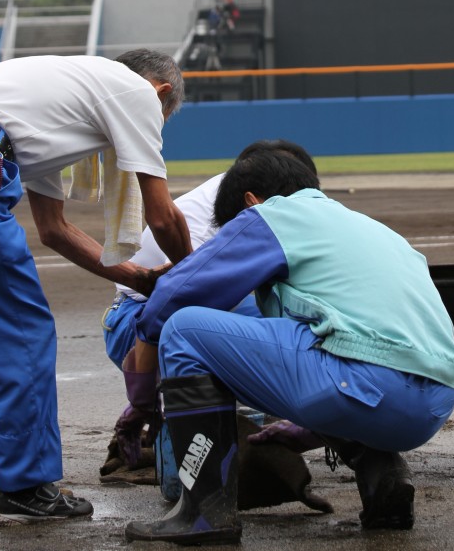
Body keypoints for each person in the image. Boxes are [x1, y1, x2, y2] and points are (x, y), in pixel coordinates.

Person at [0, 48, 192, 524]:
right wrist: (196, 272)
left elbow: (54, 229)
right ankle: (25, 483)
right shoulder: (136, 92)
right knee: (18, 329)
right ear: (161, 92)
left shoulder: (53, 100)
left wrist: (140, 278)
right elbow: (163, 215)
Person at [123, 148, 454, 544]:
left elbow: (170, 299)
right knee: (308, 342)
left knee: (184, 329)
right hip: (431, 405)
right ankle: (380, 477)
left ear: (251, 201)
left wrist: (141, 394)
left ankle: (204, 514)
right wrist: (309, 430)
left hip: (365, 384)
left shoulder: (273, 214)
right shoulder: (369, 228)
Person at [101, 140, 318, 473]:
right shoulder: (229, 217)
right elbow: (168, 308)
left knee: (283, 319)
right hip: (136, 324)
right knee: (273, 329)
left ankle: (197, 432)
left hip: (155, 320)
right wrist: (140, 402)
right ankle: (187, 456)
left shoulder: (244, 196)